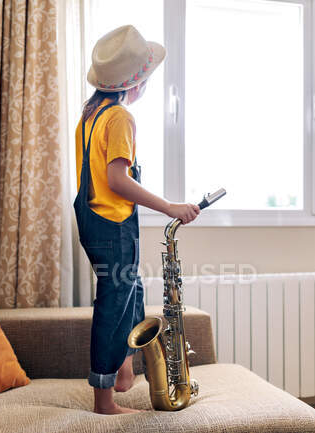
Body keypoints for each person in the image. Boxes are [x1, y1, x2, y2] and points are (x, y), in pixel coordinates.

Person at [74, 24, 200, 415]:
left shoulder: (90, 116)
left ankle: (125, 368)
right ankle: (103, 400)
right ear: (137, 83)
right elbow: (116, 179)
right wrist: (170, 207)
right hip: (112, 227)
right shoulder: (120, 118)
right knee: (113, 306)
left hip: (94, 222)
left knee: (132, 293)